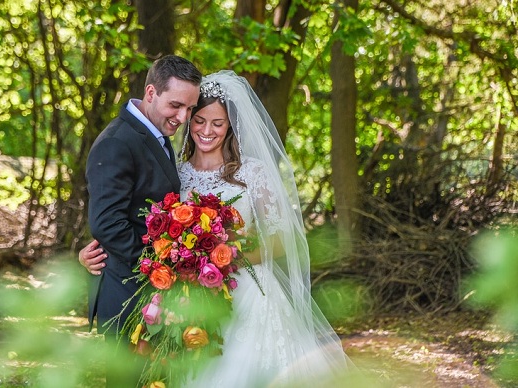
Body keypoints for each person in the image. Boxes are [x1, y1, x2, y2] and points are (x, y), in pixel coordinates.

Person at [81, 71, 353, 386]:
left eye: (218, 123)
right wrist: (91, 250)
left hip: (249, 294)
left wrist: (224, 260)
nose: (206, 131)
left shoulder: (253, 173)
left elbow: (283, 239)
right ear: (188, 119)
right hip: (188, 297)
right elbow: (135, 218)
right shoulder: (175, 173)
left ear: (231, 126)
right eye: (199, 121)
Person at [84, 55, 202, 386]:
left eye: (190, 109)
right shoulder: (117, 142)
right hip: (129, 294)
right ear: (151, 92)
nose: (183, 117)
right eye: (176, 105)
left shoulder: (153, 134)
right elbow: (107, 223)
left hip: (150, 292)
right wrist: (162, 270)